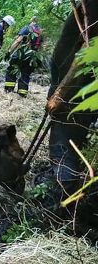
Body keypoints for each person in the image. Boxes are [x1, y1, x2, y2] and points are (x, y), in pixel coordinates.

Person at [46, 1, 98, 200]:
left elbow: (88, 47)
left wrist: (60, 93)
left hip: (73, 97)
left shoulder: (92, 8)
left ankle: (63, 199)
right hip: (76, 93)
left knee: (64, 139)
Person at [4, 16, 43, 97]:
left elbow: (18, 41)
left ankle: (9, 89)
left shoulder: (27, 28)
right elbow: (40, 46)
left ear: (31, 21)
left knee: (11, 69)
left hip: (21, 54)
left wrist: (9, 52)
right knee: (25, 73)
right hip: (32, 57)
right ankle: (22, 93)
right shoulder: (40, 32)